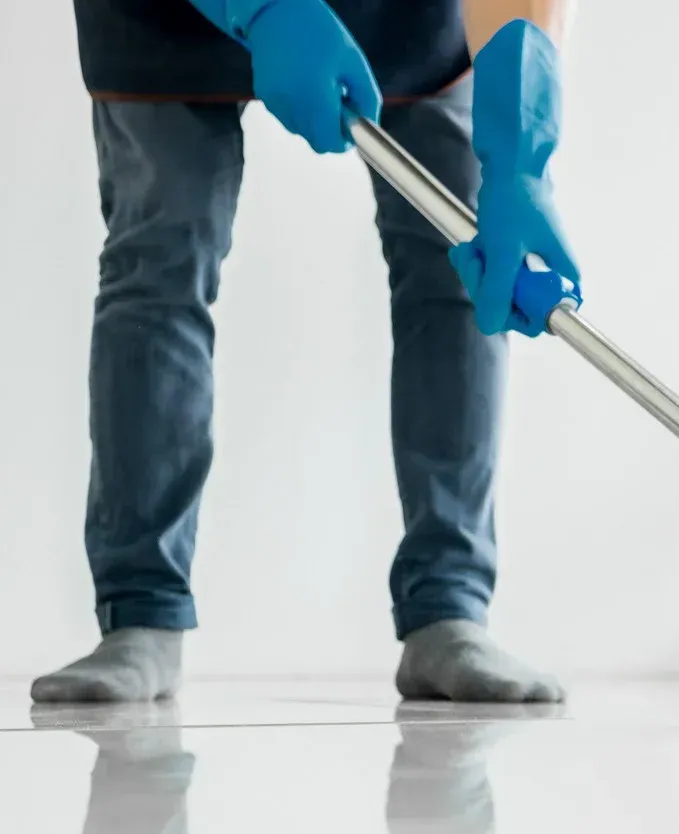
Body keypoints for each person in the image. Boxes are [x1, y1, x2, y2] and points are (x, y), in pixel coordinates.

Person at [35, 0, 581, 704]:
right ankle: (140, 616)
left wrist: (521, 154)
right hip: (166, 22)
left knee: (459, 258)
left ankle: (450, 608)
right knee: (160, 258)